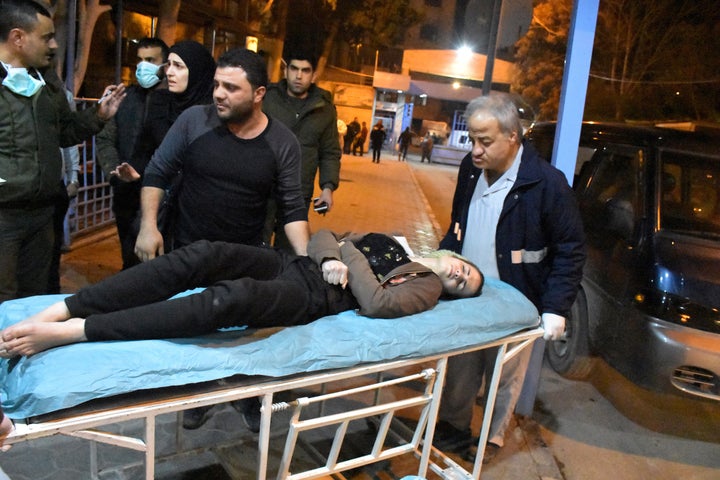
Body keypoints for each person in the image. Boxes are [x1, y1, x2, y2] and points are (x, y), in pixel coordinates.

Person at [0, 230, 484, 357]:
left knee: (230, 299)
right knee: (203, 255)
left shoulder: (424, 287)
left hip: (314, 301)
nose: (460, 277)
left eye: (464, 285)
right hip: (294, 263)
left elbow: (377, 303)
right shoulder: (401, 242)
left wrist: (347, 252)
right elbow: (322, 236)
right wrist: (333, 253)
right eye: (467, 270)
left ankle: (77, 332)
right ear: (453, 253)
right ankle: (62, 307)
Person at [435, 94, 585, 463]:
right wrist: (440, 261)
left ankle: (491, 438)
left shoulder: (546, 184)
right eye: (472, 139)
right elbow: (458, 225)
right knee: (460, 366)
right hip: (467, 296)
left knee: (504, 377)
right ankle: (453, 428)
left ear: (513, 137)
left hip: (517, 301)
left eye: (485, 141)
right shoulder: (470, 172)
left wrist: (554, 307)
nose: (475, 150)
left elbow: (570, 248)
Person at [0, 0, 125, 304]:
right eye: (46, 37)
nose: (54, 45)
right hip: (4, 217)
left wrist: (99, 115)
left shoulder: (45, 81)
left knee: (34, 297)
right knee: (4, 296)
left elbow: (65, 131)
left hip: (42, 213)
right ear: (18, 38)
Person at [134, 47, 309, 263]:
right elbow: (157, 172)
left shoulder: (283, 142)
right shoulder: (193, 120)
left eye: (231, 87)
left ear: (259, 93)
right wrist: (148, 227)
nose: (218, 93)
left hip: (244, 262)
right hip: (185, 254)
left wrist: (306, 260)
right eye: (216, 84)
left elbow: (292, 208)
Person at [110, 40, 215, 257]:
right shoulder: (160, 102)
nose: (170, 72)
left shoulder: (212, 113)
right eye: (169, 65)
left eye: (179, 66)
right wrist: (136, 172)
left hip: (195, 212)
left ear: (196, 70)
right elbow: (146, 149)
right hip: (157, 207)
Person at [95, 37, 170, 270]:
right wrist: (115, 173)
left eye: (150, 60)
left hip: (163, 198)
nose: (142, 66)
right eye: (139, 60)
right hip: (126, 194)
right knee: (129, 258)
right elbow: (105, 139)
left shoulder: (175, 101)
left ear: (165, 65)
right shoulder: (125, 99)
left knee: (158, 264)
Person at [262, 49, 341, 249]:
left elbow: (330, 152)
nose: (299, 76)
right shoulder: (267, 99)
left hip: (298, 192)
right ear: (285, 70)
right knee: (255, 247)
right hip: (262, 188)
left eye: (305, 71)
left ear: (314, 75)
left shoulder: (324, 108)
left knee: (289, 252)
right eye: (294, 69)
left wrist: (327, 187)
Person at [47, 85, 81, 294]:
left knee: (51, 251)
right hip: (13, 189)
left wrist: (73, 176)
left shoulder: (61, 94)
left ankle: (47, 296)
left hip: (54, 186)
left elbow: (69, 140)